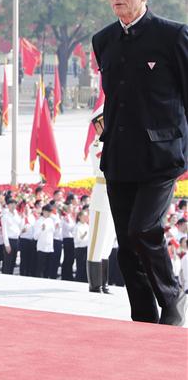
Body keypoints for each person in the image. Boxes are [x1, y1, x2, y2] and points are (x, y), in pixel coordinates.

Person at [91, 0, 188, 326]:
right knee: (127, 247)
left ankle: (172, 297)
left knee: (143, 229)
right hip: (118, 156)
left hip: (162, 156)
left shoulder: (173, 36)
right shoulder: (103, 41)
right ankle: (143, 319)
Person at [86, 109, 115, 293]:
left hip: (112, 194)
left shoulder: (111, 142)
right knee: (97, 239)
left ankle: (104, 282)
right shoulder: (97, 145)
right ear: (98, 125)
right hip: (101, 195)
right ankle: (94, 283)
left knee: (107, 239)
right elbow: (105, 166)